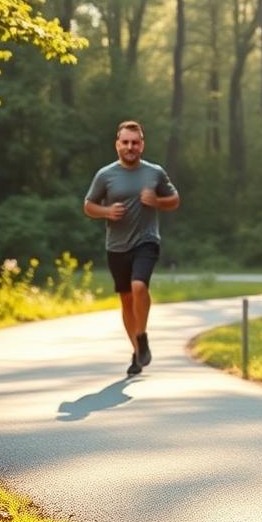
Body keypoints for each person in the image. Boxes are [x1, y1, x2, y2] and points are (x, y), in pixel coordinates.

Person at [84, 120, 180, 376]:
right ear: (117, 145)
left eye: (135, 142)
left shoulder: (154, 172)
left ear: (142, 145)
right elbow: (88, 205)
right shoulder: (105, 175)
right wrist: (107, 211)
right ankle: (138, 351)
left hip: (146, 240)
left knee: (139, 286)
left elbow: (174, 200)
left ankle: (142, 336)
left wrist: (156, 200)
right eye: (125, 142)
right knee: (126, 299)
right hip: (116, 246)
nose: (130, 147)